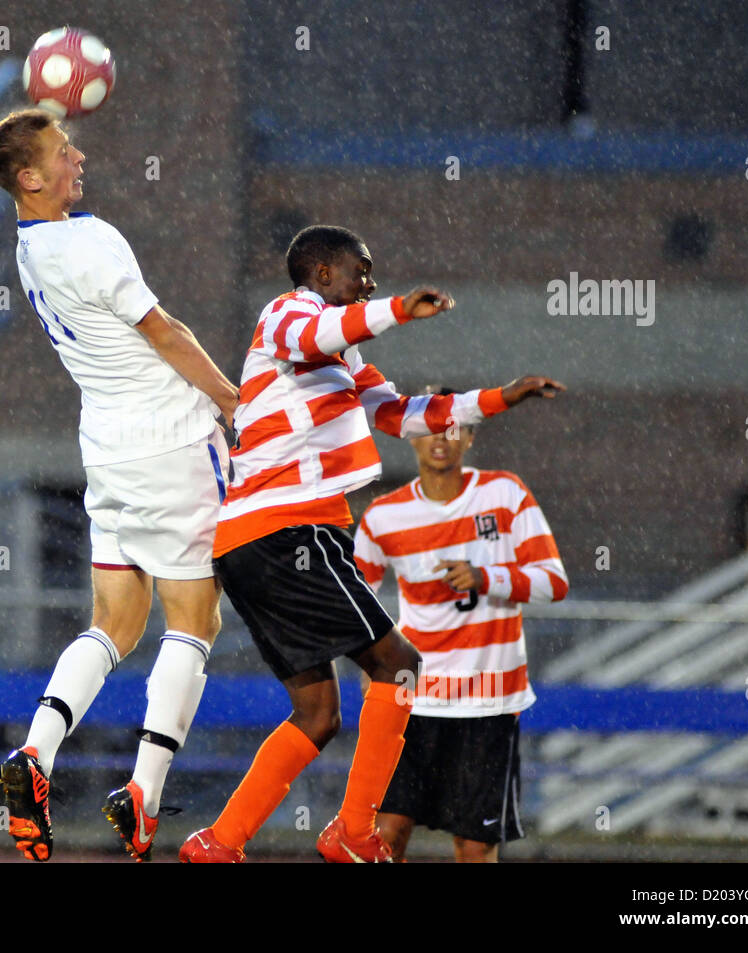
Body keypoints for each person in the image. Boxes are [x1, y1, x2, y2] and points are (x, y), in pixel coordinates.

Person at [179, 224, 564, 863]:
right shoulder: (288, 313)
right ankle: (355, 833)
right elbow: (318, 335)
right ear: (324, 275)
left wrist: (501, 398)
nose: (371, 282)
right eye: (362, 271)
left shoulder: (342, 355)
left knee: (318, 714)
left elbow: (406, 414)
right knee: (401, 667)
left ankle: (219, 843)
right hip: (289, 530)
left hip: (257, 540)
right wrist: (395, 312)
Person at [0, 109, 239, 862]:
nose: (79, 158)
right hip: (170, 442)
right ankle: (146, 791)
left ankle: (35, 750)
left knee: (115, 624)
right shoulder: (91, 241)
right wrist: (230, 399)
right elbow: (165, 330)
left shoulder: (30, 246)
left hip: (106, 449)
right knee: (194, 621)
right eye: (65, 153)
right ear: (30, 177)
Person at [353, 391, 568, 862]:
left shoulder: (505, 493)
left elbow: (554, 583)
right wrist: (370, 662)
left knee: (474, 844)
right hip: (414, 699)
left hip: (488, 703)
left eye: (454, 427)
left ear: (470, 436)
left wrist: (487, 577)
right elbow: (355, 602)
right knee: (383, 834)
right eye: (430, 425)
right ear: (410, 435)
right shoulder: (382, 517)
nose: (441, 437)